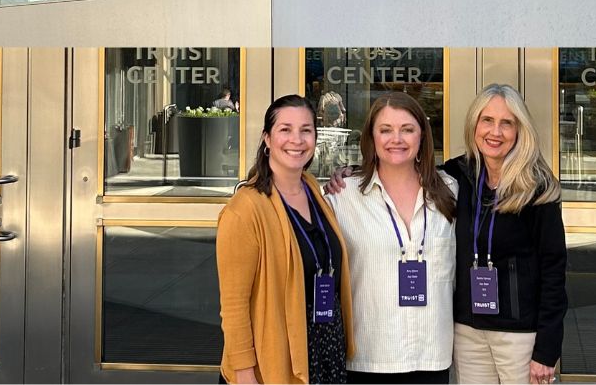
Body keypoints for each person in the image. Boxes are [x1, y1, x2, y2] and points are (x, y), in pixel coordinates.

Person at [217, 94, 354, 384]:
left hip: (323, 351)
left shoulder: (314, 190)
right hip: (273, 363)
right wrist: (244, 373)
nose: (297, 139)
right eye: (285, 129)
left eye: (306, 130)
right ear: (267, 139)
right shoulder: (245, 209)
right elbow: (233, 304)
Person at [324, 92, 457, 384]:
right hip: (368, 358)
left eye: (407, 129)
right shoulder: (342, 196)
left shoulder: (450, 191)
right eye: (385, 130)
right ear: (371, 138)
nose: (396, 138)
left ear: (422, 135)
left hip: (432, 354)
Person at [445, 84, 566, 384]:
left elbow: (554, 271)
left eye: (506, 123)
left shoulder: (537, 188)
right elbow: (404, 170)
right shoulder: (460, 174)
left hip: (520, 335)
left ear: (519, 130)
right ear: (474, 124)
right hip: (468, 330)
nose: (495, 132)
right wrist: (353, 174)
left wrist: (546, 350)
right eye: (487, 120)